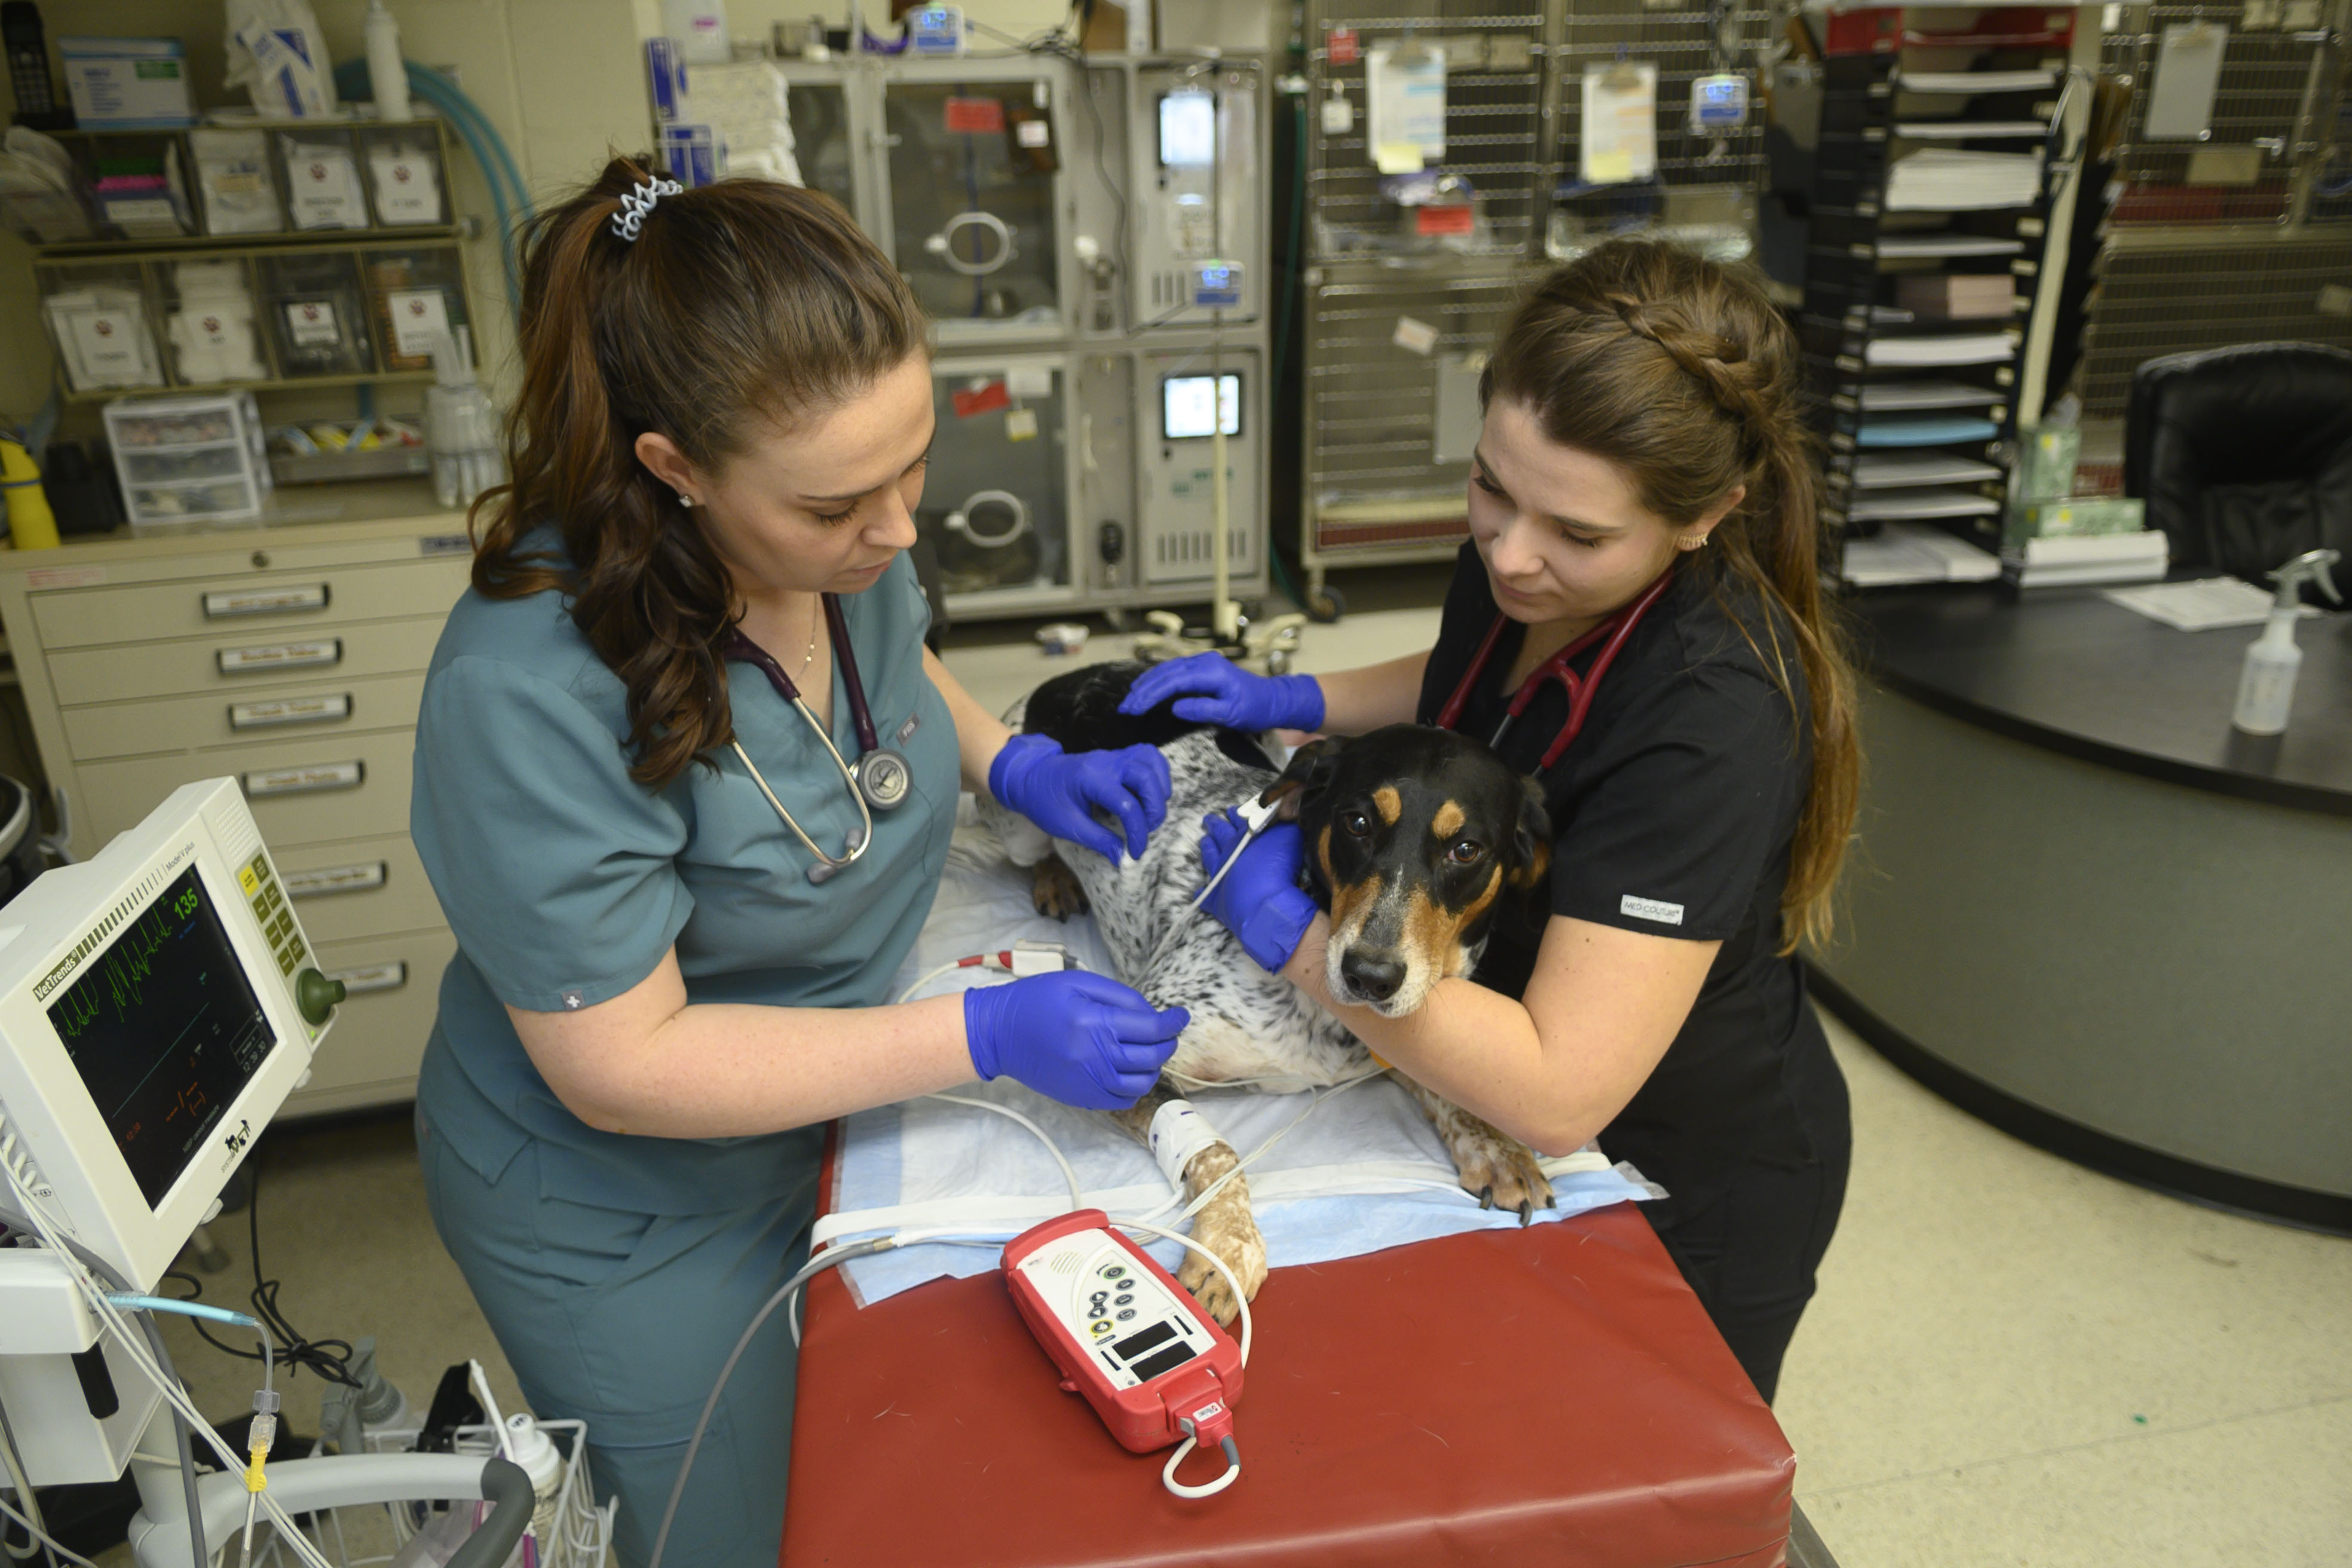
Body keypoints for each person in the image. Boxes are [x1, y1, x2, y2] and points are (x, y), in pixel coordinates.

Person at [407, 161, 1191, 1568]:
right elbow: (624, 1065)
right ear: (676, 469)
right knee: (756, 1530)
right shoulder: (525, 687)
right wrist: (983, 1032)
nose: (895, 532)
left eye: (914, 467)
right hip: (631, 1205)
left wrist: (1011, 761)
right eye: (841, 506)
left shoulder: (832, 533)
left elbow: (897, 670)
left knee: (926, 1464)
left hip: (832, 1109)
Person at [1126, 239, 1858, 1402]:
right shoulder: (1526, 564)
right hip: (1476, 1037)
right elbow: (1473, 684)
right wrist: (1299, 701)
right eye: (1491, 489)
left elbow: (1562, 1092)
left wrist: (1304, 947)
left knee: (1617, 1470)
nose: (1512, 555)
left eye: (1574, 534)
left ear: (1707, 513)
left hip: (1673, 1156)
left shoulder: (1715, 721)